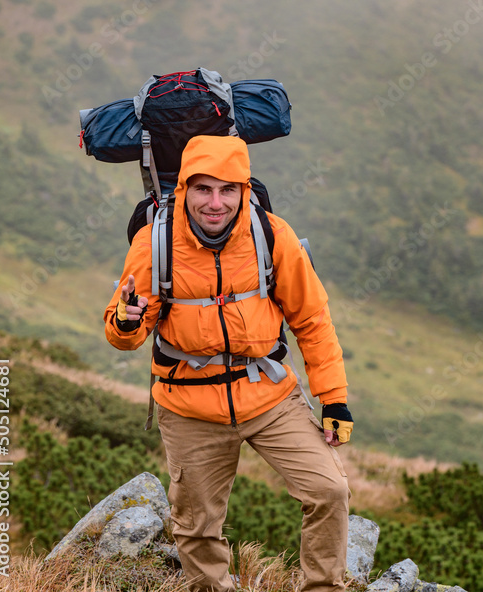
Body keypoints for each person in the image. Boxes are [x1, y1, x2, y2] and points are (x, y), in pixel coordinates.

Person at [104, 134, 352, 592]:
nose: (215, 203)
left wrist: (333, 399)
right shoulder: (155, 243)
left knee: (329, 491)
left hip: (270, 396)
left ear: (245, 190)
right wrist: (125, 319)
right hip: (190, 407)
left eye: (227, 190)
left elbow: (312, 318)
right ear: (184, 191)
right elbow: (126, 336)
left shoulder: (272, 234)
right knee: (197, 525)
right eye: (203, 189)